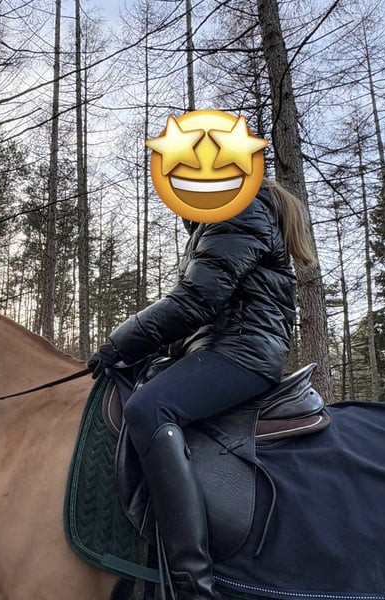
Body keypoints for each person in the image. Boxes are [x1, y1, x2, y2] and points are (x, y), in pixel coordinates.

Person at [88, 178, 317, 600]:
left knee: (149, 409)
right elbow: (202, 314)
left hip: (243, 352)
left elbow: (196, 300)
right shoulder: (222, 219)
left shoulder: (236, 210)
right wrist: (144, 353)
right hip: (224, 345)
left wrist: (121, 342)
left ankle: (194, 582)